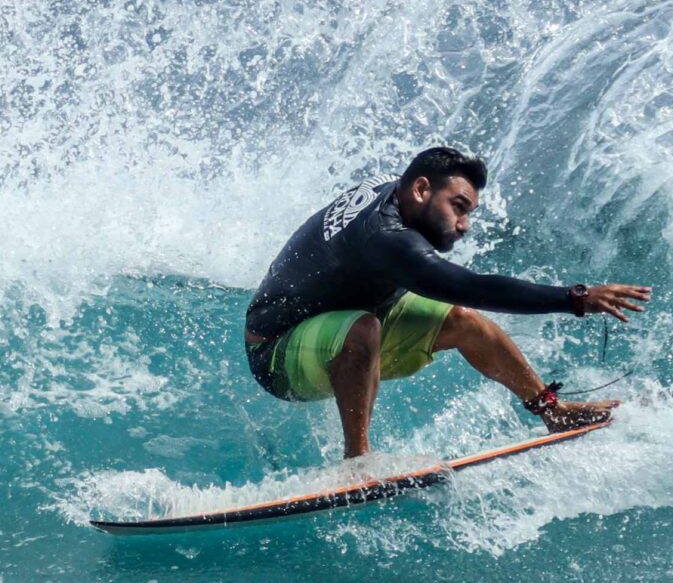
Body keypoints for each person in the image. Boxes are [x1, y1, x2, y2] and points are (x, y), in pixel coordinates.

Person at [245, 145, 652, 458]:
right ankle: (358, 461)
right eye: (458, 208)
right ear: (421, 189)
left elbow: (464, 300)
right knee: (364, 328)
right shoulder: (386, 238)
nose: (464, 225)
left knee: (464, 322)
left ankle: (553, 411)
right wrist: (575, 299)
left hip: (339, 316)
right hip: (277, 351)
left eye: (469, 211)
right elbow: (472, 286)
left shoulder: (397, 196)